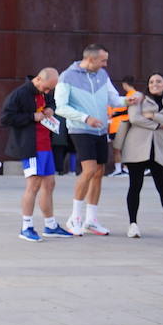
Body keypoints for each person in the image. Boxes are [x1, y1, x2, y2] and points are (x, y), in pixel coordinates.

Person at [56, 44, 139, 236]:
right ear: (91, 59)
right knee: (89, 169)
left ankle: (91, 220)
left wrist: (128, 100)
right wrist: (86, 118)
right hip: (80, 128)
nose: (106, 64)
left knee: (99, 171)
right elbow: (60, 107)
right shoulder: (67, 76)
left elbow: (114, 99)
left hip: (101, 130)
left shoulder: (102, 75)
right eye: (103, 60)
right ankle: (75, 217)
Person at [1, 68, 73, 241]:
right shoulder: (20, 94)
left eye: (51, 89)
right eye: (47, 88)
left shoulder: (45, 90)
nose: (48, 92)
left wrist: (50, 108)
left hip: (46, 145)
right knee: (33, 185)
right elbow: (6, 118)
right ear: (39, 79)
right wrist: (31, 117)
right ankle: (26, 227)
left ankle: (50, 225)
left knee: (49, 184)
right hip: (30, 146)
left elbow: (52, 102)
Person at [123, 73, 163, 241]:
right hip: (137, 147)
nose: (155, 84)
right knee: (135, 186)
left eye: (159, 81)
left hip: (158, 149)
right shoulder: (138, 98)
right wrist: (158, 124)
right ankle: (133, 224)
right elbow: (134, 118)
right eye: (151, 81)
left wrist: (153, 116)